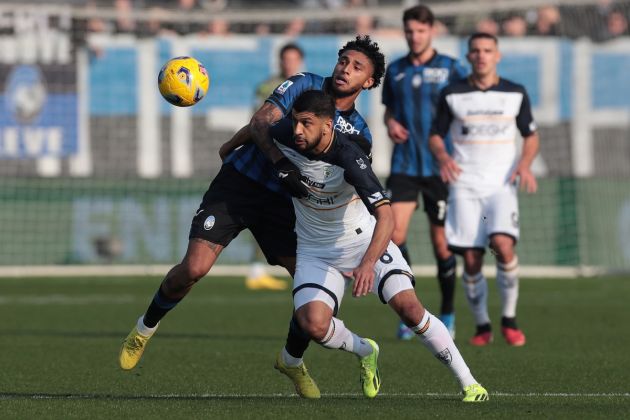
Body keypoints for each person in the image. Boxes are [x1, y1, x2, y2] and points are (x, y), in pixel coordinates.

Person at [118, 36, 384, 400]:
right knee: (194, 268)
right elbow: (262, 122)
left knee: (309, 293)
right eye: (343, 61)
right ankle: (143, 329)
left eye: (357, 67)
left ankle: (292, 360)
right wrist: (273, 161)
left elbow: (349, 182)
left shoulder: (360, 133)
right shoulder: (304, 83)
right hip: (241, 183)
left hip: (287, 206)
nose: (345, 70)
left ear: (368, 82)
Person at [268, 89, 488, 401]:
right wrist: (251, 154)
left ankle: (470, 383)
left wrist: (367, 263)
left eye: (306, 123)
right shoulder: (287, 136)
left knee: (411, 310)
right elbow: (258, 129)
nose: (297, 130)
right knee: (313, 325)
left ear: (328, 126)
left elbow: (386, 217)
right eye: (295, 123)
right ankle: (365, 349)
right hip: (316, 251)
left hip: (364, 242)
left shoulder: (350, 157)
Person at [429, 32, 539, 347]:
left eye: (487, 50)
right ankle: (482, 326)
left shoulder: (515, 93)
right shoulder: (452, 93)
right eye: (475, 50)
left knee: (504, 246)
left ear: (497, 55)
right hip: (464, 184)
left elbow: (530, 135)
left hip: (501, 185)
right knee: (473, 258)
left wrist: (525, 163)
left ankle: (509, 319)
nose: (481, 55)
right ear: (468, 56)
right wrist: (443, 156)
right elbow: (435, 135)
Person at [381, 5, 468, 340]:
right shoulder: (398, 69)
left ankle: (447, 312)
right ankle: (411, 312)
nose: (414, 36)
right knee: (395, 235)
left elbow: (466, 105)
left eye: (420, 31)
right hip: (404, 164)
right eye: (409, 31)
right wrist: (390, 123)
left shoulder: (451, 68)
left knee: (442, 245)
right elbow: (389, 109)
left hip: (439, 168)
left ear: (431, 31)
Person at [246, 43, 306, 291]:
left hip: (297, 159)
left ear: (300, 61)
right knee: (263, 211)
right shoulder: (268, 86)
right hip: (270, 157)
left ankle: (303, 265)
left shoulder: (307, 87)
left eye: (293, 59)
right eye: (285, 59)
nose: (289, 64)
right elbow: (257, 120)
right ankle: (257, 269)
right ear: (280, 61)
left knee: (296, 214)